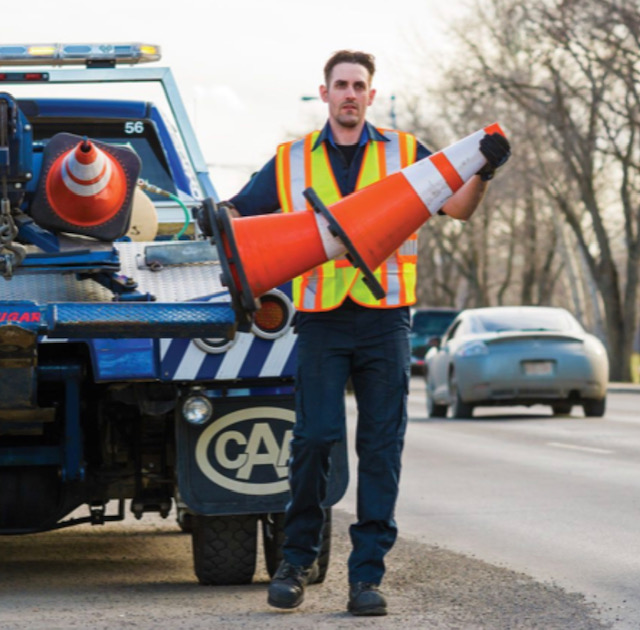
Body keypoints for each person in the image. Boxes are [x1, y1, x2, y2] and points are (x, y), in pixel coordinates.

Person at [224, 50, 510, 615]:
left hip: (386, 321)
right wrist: (231, 250)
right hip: (322, 320)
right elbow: (239, 213)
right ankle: (296, 559)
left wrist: (484, 172)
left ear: (371, 95)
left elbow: (459, 207)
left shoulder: (406, 154)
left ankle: (366, 577)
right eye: (341, 85)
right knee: (313, 439)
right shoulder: (291, 159)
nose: (350, 94)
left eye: (359, 85)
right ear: (325, 93)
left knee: (381, 448)